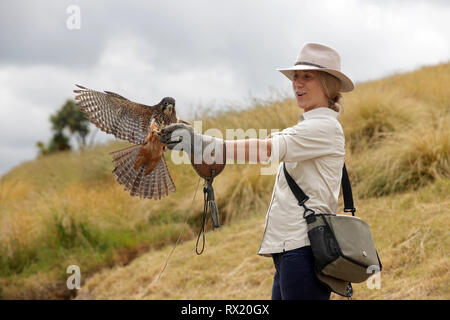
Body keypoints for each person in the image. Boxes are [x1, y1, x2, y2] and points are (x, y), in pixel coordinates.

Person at [159, 43, 354, 300]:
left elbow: (264, 149)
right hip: (292, 249)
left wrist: (204, 145)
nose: (298, 84)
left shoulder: (322, 128)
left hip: (303, 249)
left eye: (308, 77)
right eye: (296, 77)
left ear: (329, 84)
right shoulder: (310, 126)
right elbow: (269, 146)